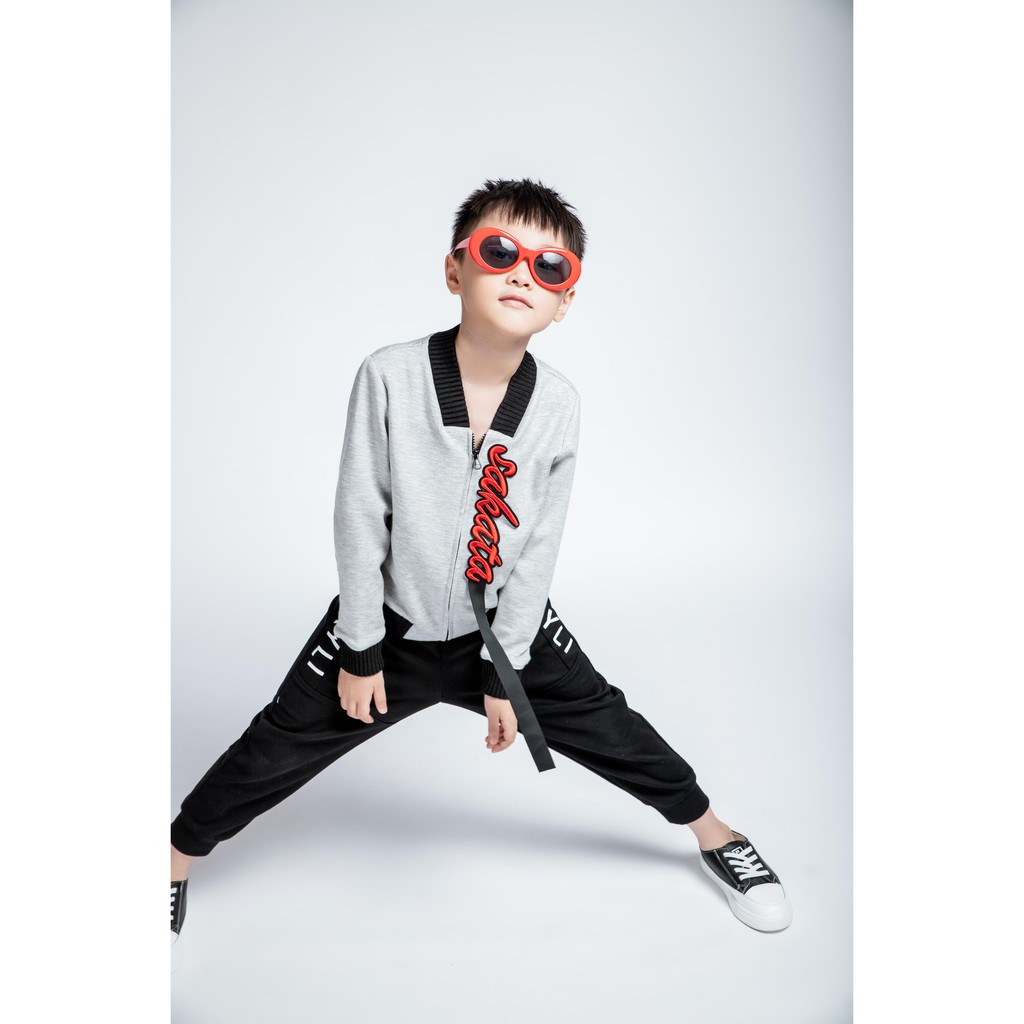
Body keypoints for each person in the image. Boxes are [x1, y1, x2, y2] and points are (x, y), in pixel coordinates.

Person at [170, 178, 792, 970]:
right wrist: (360, 648)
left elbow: (539, 546)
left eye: (550, 266)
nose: (523, 273)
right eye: (500, 252)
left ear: (564, 301)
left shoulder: (558, 404)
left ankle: (717, 836)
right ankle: (171, 861)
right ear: (455, 270)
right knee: (274, 747)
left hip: (501, 632)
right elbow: (359, 516)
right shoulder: (390, 375)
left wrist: (508, 666)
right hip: (386, 629)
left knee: (613, 727)